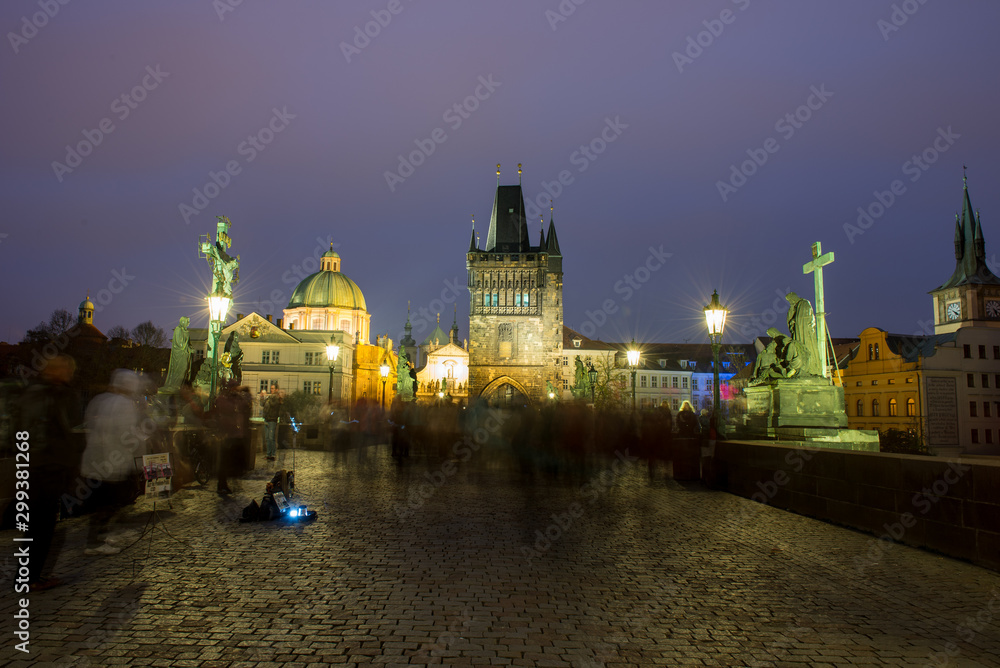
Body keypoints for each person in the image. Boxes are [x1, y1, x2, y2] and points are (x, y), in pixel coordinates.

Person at [19, 355, 83, 591]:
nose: (70, 374)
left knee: (36, 524)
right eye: (67, 370)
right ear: (59, 371)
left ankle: (27, 575)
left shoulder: (33, 391)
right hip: (49, 466)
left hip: (34, 464)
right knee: (42, 524)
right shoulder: (57, 394)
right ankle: (30, 578)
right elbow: (68, 431)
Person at [80, 369, 149, 556]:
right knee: (109, 501)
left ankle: (99, 536)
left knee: (102, 500)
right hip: (112, 461)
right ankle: (94, 542)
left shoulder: (100, 399)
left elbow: (89, 423)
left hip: (95, 459)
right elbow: (126, 434)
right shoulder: (124, 404)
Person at [212, 382, 251, 494]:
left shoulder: (236, 400)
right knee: (225, 461)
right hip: (227, 435)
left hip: (235, 435)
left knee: (232, 461)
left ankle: (227, 483)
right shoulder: (224, 399)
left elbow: (245, 405)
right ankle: (222, 484)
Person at [261, 384, 284, 461]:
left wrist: (269, 397)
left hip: (272, 420)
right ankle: (268, 454)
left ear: (276, 390)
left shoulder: (277, 398)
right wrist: (263, 397)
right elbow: (263, 404)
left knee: (271, 438)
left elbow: (273, 404)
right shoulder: (270, 397)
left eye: (273, 389)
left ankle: (273, 454)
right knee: (267, 438)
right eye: (271, 388)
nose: (271, 390)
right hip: (267, 419)